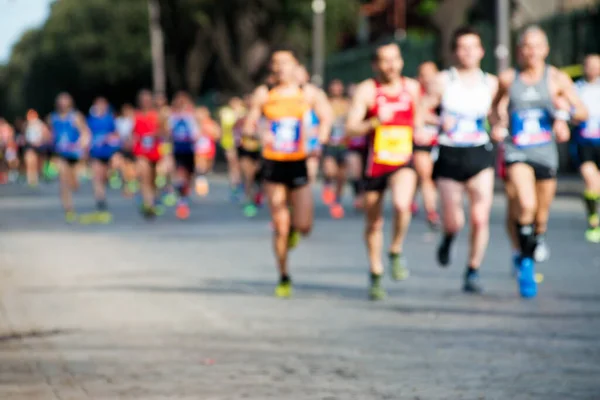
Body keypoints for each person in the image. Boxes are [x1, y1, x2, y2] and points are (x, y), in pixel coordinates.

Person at [491, 26, 588, 298]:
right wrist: (497, 125)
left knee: (541, 217)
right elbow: (495, 110)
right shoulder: (509, 79)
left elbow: (582, 111)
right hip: (517, 151)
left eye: (536, 46)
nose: (531, 52)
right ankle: (525, 263)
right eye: (526, 46)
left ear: (545, 49)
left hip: (545, 153)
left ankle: (532, 243)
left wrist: (563, 118)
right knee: (526, 204)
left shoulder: (556, 78)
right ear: (519, 50)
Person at [244, 46, 333, 298]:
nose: (280, 67)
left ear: (295, 66)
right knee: (280, 224)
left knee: (304, 225)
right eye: (276, 63)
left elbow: (326, 118)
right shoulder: (265, 93)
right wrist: (259, 132)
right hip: (273, 161)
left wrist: (319, 142)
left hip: (299, 161)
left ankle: (295, 230)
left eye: (285, 63)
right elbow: (250, 124)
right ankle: (283, 275)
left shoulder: (309, 93)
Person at [417, 27, 498, 294]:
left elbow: (499, 115)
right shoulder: (443, 81)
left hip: (479, 151)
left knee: (479, 217)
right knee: (455, 221)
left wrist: (499, 126)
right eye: (462, 47)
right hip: (450, 153)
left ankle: (473, 270)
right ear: (455, 52)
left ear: (481, 51)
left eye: (473, 47)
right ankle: (448, 238)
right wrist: (439, 120)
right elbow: (420, 113)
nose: (468, 52)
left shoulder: (492, 83)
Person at [346, 40, 420, 300]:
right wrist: (375, 121)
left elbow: (420, 120)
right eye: (384, 60)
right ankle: (376, 271)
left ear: (401, 61)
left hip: (403, 160)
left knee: (402, 205)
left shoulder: (412, 88)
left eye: (395, 59)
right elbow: (350, 127)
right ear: (375, 64)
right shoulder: (367, 90)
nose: (390, 65)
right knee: (374, 221)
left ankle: (396, 249)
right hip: (375, 163)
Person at [47, 92, 91, 222]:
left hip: (74, 154)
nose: (62, 104)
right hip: (60, 154)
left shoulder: (75, 117)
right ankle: (69, 209)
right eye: (60, 101)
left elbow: (85, 132)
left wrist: (82, 145)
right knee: (63, 181)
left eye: (65, 101)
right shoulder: (52, 118)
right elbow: (49, 134)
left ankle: (73, 188)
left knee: (74, 184)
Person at [573, 54, 600, 243]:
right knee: (591, 180)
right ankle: (593, 219)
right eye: (589, 65)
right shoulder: (576, 89)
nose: (593, 69)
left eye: (596, 66)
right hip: (584, 142)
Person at [413, 61, 441, 229]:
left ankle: (412, 198)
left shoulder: (445, 92)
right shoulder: (415, 93)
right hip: (422, 141)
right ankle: (431, 211)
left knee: (432, 179)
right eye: (424, 74)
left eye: (431, 74)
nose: (428, 78)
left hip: (442, 142)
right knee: (426, 175)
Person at [84, 97, 120, 223]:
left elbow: (115, 133)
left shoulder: (110, 119)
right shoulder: (90, 119)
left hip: (107, 151)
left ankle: (104, 188)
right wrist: (86, 149)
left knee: (104, 176)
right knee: (97, 176)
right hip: (95, 152)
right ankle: (100, 198)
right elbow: (86, 134)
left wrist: (111, 139)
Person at [167, 91, 200, 219]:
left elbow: (196, 134)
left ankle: (184, 193)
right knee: (180, 173)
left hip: (189, 150)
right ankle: (181, 199)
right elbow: (168, 134)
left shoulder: (190, 117)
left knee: (189, 175)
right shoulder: (172, 117)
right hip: (177, 150)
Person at [132, 89, 164, 219]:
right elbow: (132, 132)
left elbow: (164, 131)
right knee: (144, 176)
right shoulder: (136, 115)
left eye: (147, 99)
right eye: (143, 100)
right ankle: (148, 204)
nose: (145, 102)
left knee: (153, 179)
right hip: (141, 151)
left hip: (155, 150)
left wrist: (154, 134)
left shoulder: (157, 115)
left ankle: (154, 197)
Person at [322, 79, 351, 219]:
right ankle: (327, 184)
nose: (336, 89)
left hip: (343, 144)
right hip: (329, 143)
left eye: (338, 86)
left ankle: (337, 201)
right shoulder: (325, 103)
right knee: (330, 170)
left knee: (341, 175)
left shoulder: (347, 104)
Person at [235, 95, 263, 218]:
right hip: (245, 150)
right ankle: (248, 199)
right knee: (248, 175)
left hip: (259, 151)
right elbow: (236, 133)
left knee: (258, 175)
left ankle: (257, 193)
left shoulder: (262, 117)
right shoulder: (241, 118)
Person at [296, 65, 323, 185]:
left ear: (306, 76)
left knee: (309, 175)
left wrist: (321, 137)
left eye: (300, 74)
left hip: (311, 140)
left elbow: (325, 117)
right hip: (291, 143)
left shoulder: (314, 93)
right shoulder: (283, 93)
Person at [219, 97, 245, 201]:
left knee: (241, 166)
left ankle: (241, 183)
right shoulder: (226, 113)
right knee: (233, 165)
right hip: (230, 143)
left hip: (243, 144)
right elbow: (226, 126)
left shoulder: (244, 111)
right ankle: (234, 185)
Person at [193, 106, 220, 197]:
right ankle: (201, 185)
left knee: (207, 168)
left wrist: (209, 131)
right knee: (200, 167)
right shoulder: (195, 123)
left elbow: (217, 135)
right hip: (199, 150)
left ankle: (201, 179)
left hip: (209, 149)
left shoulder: (211, 123)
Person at [23, 110, 50, 187]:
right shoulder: (26, 124)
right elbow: (25, 136)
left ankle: (38, 176)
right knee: (30, 161)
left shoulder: (40, 124)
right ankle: (31, 179)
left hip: (39, 146)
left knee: (39, 163)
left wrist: (41, 141)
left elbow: (47, 135)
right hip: (30, 146)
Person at [115, 103, 138, 196]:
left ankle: (132, 184)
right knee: (123, 167)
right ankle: (126, 187)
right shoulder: (119, 121)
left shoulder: (134, 120)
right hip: (122, 146)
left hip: (133, 147)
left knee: (132, 168)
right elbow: (117, 133)